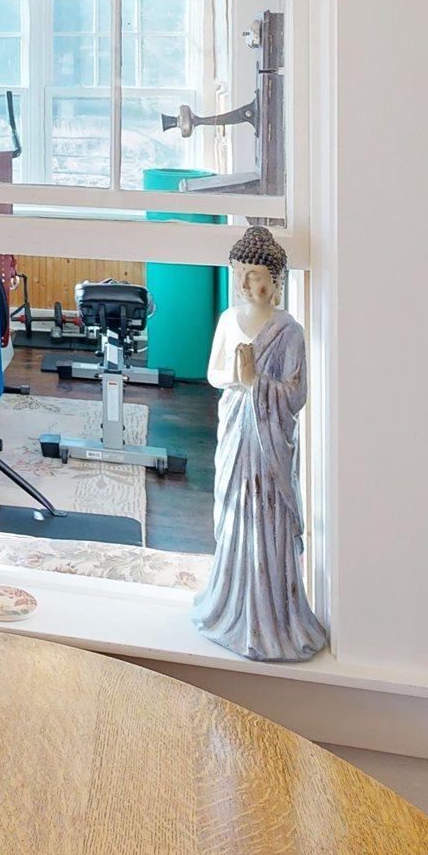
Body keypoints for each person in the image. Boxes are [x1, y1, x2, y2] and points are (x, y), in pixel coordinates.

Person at [190, 224, 328, 662]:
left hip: (268, 440)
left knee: (265, 515)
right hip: (236, 429)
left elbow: (297, 394)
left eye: (260, 276)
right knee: (233, 511)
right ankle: (230, 602)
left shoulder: (289, 332)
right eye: (244, 277)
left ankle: (272, 614)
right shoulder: (230, 320)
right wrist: (237, 378)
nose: (252, 286)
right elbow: (214, 373)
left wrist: (256, 383)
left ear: (276, 280)